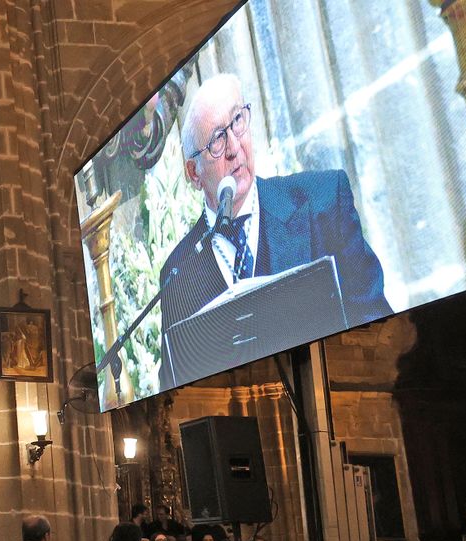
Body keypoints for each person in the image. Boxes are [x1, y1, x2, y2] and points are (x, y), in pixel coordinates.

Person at [157, 73, 387, 391]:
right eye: (216, 141)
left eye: (238, 121)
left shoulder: (322, 201)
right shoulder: (177, 274)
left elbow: (376, 325)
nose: (235, 147)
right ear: (194, 173)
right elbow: (179, 388)